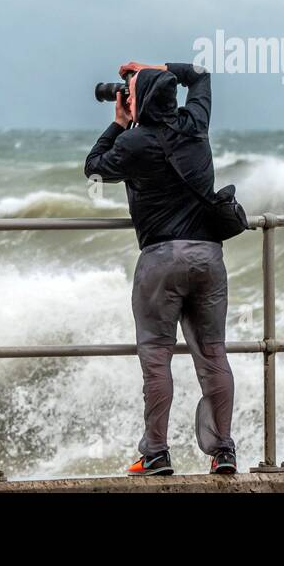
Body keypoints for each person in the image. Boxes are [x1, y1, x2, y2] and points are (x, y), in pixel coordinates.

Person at [84, 61, 237, 476]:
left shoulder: (135, 145)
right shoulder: (195, 125)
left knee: (156, 357)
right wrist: (156, 68)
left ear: (141, 101)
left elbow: (93, 167)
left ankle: (155, 453)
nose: (126, 98)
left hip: (160, 260)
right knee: (213, 353)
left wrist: (118, 124)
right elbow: (202, 73)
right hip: (208, 256)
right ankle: (223, 451)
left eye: (130, 92)